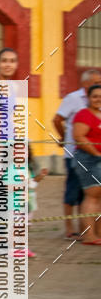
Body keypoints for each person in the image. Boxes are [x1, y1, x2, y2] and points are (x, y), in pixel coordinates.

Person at [53, 69, 101, 239]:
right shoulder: (74, 99)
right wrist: (62, 138)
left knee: (87, 195)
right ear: (85, 84)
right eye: (95, 82)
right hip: (78, 155)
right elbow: (57, 119)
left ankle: (86, 231)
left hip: (93, 157)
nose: (98, 85)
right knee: (74, 193)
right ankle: (70, 230)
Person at [72, 83, 101, 244]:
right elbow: (79, 137)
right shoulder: (83, 114)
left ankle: (98, 233)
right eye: (94, 96)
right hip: (88, 159)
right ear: (88, 98)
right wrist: (96, 153)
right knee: (92, 195)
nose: (98, 99)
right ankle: (89, 236)